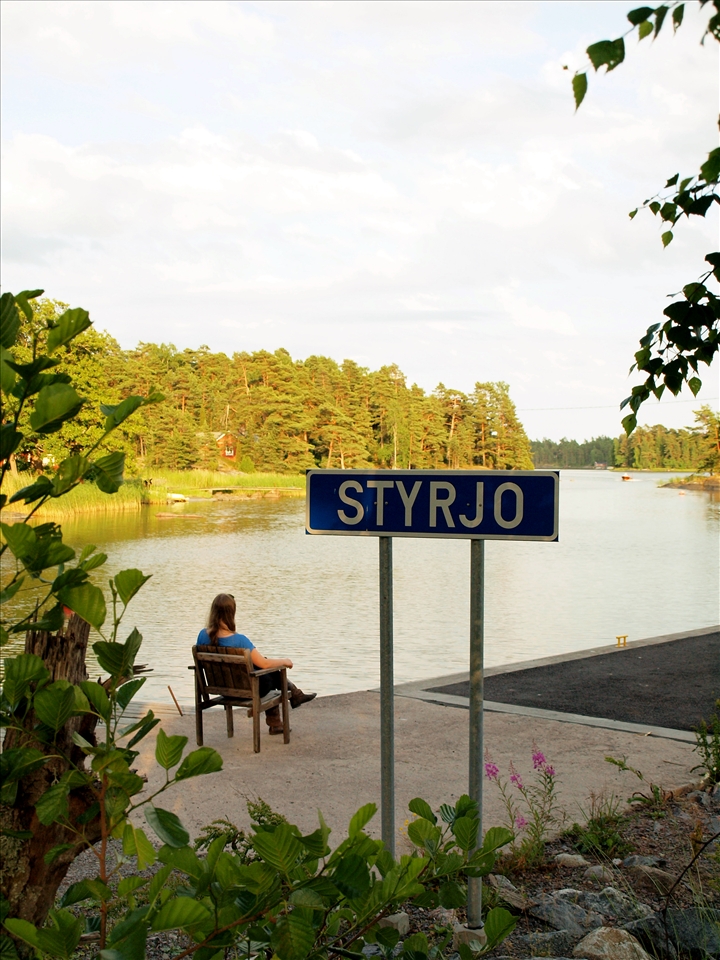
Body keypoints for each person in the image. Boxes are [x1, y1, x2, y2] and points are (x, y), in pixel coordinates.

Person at [197, 593, 316, 734]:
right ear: (232, 613)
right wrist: (284, 661)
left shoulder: (202, 635)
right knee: (271, 671)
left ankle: (282, 715)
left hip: (220, 688)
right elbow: (264, 664)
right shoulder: (240, 641)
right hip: (247, 690)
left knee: (261, 667)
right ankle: (294, 695)